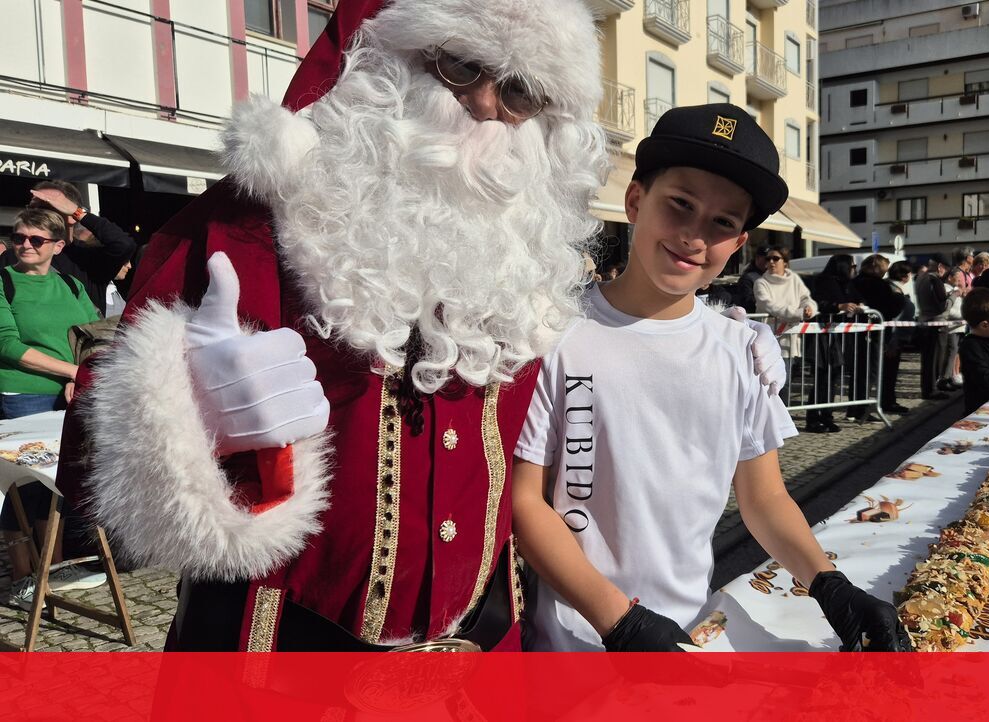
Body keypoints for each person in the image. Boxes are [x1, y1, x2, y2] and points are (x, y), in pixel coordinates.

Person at [58, 0, 785, 652]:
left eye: (521, 92)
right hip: (281, 655)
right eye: (460, 65)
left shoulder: (532, 269)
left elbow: (616, 357)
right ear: (385, 61)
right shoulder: (250, 225)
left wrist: (729, 342)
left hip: (477, 656)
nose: (486, 105)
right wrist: (183, 410)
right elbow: (91, 451)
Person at [512, 103, 907, 653]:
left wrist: (830, 585)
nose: (695, 235)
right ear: (635, 201)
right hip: (571, 642)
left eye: (723, 222)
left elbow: (764, 498)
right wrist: (618, 621)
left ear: (739, 244)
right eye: (680, 204)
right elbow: (526, 501)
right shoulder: (555, 334)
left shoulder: (742, 352)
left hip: (691, 633)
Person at [1, 209, 105, 609]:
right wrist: (74, 372)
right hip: (23, 396)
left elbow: (92, 331)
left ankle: (54, 568)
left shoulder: (71, 284)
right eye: (18, 237)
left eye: (36, 239)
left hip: (68, 396)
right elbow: (8, 345)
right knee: (23, 487)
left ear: (58, 246)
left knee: (55, 484)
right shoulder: (3, 282)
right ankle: (22, 578)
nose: (25, 245)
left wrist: (79, 374)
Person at [9, 180, 136, 316]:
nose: (35, 215)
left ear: (71, 215)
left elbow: (123, 244)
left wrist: (78, 212)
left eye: (45, 207)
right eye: (31, 208)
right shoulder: (16, 255)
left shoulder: (89, 259)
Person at [850, 254, 907, 418]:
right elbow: (888, 307)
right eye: (884, 268)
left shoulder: (856, 282)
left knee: (860, 372)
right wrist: (899, 298)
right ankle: (861, 409)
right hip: (874, 334)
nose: (885, 272)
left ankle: (856, 407)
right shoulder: (877, 284)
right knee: (870, 372)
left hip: (859, 332)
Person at [809, 253, 862, 431]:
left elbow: (854, 299)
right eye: (852, 266)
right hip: (822, 335)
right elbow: (818, 304)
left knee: (833, 377)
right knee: (822, 377)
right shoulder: (824, 281)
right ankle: (813, 418)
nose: (854, 270)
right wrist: (838, 306)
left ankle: (827, 415)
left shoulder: (846, 283)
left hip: (837, 336)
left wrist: (858, 306)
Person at [755, 245, 818, 364]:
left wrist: (809, 309)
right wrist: (799, 313)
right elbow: (769, 305)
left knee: (789, 373)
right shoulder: (761, 283)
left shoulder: (794, 279)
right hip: (770, 338)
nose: (771, 262)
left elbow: (805, 298)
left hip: (791, 338)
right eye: (768, 259)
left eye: (775, 258)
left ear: (785, 262)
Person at [879, 261, 915, 413]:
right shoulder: (893, 290)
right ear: (905, 276)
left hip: (895, 337)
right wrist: (893, 342)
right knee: (889, 372)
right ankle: (888, 402)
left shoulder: (893, 287)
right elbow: (894, 319)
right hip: (893, 338)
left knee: (890, 372)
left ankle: (889, 400)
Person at [914, 253, 950, 399]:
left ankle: (927, 388)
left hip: (924, 320)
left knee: (927, 359)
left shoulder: (920, 277)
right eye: (946, 268)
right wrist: (953, 295)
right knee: (935, 359)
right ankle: (932, 390)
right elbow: (942, 305)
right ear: (940, 266)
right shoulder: (935, 280)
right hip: (936, 323)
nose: (946, 272)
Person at [735, 246, 771, 312]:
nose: (770, 262)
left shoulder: (773, 276)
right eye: (767, 259)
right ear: (757, 258)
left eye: (774, 259)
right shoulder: (747, 278)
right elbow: (747, 300)